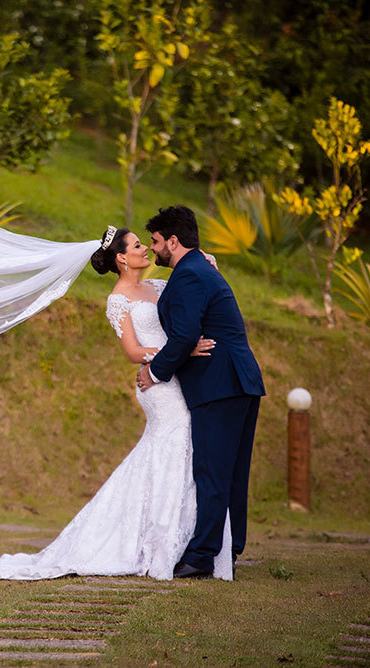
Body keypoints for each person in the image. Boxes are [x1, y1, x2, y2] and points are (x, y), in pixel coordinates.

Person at [0, 224, 234, 581]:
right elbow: (132, 351)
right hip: (159, 386)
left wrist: (206, 263)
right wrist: (176, 353)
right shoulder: (118, 300)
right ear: (121, 258)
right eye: (138, 246)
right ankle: (159, 541)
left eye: (146, 244)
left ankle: (183, 539)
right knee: (171, 447)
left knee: (182, 451)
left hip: (177, 378)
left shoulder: (160, 287)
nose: (145, 250)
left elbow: (189, 298)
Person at [138, 206, 265, 579]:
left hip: (219, 383)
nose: (153, 248)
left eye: (156, 242)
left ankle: (203, 556)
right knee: (231, 472)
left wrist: (154, 372)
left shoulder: (191, 275)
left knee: (211, 469)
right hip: (237, 381)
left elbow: (184, 335)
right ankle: (229, 547)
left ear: (173, 241)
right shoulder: (198, 268)